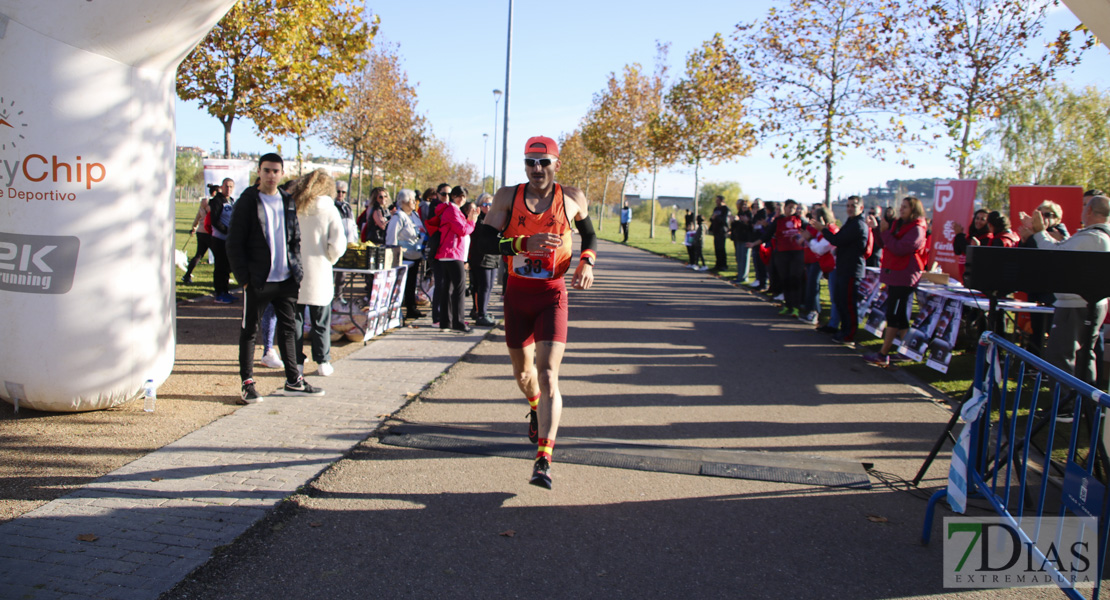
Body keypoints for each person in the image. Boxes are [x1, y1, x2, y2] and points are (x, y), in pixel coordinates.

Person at [472, 135, 596, 490]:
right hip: (517, 294)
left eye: (543, 162)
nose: (537, 169)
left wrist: (587, 262)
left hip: (552, 294)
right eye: (530, 162)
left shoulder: (571, 198)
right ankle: (534, 407)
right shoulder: (507, 197)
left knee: (548, 374)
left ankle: (543, 459)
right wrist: (523, 243)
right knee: (525, 376)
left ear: (556, 163)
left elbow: (589, 236)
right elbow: (482, 242)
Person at [225, 153, 324, 403]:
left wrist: (297, 271)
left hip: (286, 280)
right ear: (259, 171)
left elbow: (295, 238)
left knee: (289, 330)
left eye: (275, 171)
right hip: (258, 280)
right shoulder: (248, 201)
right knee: (250, 330)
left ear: (282, 173)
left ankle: (293, 380)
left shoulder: (287, 200)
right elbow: (233, 242)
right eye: (266, 170)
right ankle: (247, 383)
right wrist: (244, 278)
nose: (271, 175)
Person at [1023, 195, 1110, 421]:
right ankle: (1087, 403)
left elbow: (1055, 253)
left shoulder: (1092, 237)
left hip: (1075, 304)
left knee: (1061, 354)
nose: (1081, 211)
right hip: (1089, 303)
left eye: (1084, 207)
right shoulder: (1100, 236)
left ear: (1089, 211)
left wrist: (1039, 232)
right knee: (1085, 355)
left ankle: (1066, 405)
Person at [291, 170, 346, 378]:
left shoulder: (296, 206)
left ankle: (296, 361)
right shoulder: (330, 209)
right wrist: (329, 258)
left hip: (295, 269)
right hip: (320, 268)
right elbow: (338, 243)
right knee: (320, 318)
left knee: (295, 319)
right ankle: (323, 359)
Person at [863, 196, 928, 367]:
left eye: (905, 207)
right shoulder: (900, 225)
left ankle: (884, 353)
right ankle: (906, 351)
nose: (901, 210)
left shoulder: (917, 229)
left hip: (904, 275)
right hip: (894, 273)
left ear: (914, 210)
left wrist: (884, 232)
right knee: (899, 316)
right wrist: (878, 230)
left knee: (894, 314)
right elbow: (885, 244)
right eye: (902, 207)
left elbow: (900, 248)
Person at [819, 195, 869, 345]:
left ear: (860, 208)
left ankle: (849, 333)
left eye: (853, 206)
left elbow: (838, 240)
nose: (849, 209)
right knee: (841, 301)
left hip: (852, 269)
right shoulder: (850, 222)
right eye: (848, 206)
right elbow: (839, 238)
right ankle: (843, 329)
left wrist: (823, 230)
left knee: (848, 303)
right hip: (843, 267)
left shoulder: (858, 224)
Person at [433, 186, 478, 333]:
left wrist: (468, 221)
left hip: (450, 253)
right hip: (452, 253)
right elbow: (463, 230)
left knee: (448, 288)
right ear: (453, 196)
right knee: (458, 288)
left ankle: (446, 322)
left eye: (464, 197)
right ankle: (458, 322)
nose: (461, 199)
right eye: (459, 196)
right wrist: (472, 221)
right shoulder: (452, 210)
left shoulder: (453, 210)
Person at [386, 189, 426, 321]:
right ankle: (397, 312)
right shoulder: (398, 217)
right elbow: (391, 239)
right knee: (402, 285)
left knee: (412, 284)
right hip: (404, 257)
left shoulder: (414, 215)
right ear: (403, 201)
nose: (414, 202)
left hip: (416, 255)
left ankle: (411, 308)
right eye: (412, 200)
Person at [767, 200, 805, 316]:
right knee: (785, 279)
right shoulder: (779, 221)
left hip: (797, 253)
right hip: (782, 253)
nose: (792, 210)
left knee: (795, 279)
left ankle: (796, 307)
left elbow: (811, 230)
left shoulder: (799, 219)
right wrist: (755, 243)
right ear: (785, 208)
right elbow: (768, 233)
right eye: (790, 207)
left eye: (794, 208)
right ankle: (787, 305)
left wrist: (801, 236)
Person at [469, 194, 500, 327]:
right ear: (480, 206)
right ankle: (481, 314)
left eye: (490, 204)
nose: (488, 207)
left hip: (493, 257)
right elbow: (480, 234)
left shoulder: (496, 218)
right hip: (480, 257)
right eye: (485, 205)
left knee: (489, 286)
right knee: (483, 286)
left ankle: (481, 311)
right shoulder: (478, 219)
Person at [182, 184, 216, 285]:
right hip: (210, 232)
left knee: (198, 255)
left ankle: (187, 275)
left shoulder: (202, 204)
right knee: (219, 256)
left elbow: (197, 217)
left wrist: (193, 227)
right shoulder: (213, 204)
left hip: (201, 232)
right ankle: (221, 278)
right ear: (214, 192)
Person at [209, 177, 236, 304]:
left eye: (231, 186)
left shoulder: (231, 201)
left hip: (229, 240)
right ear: (221, 186)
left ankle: (225, 291)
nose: (228, 189)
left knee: (226, 267)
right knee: (220, 266)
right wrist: (227, 231)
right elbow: (215, 220)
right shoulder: (216, 201)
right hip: (219, 239)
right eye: (226, 186)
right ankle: (219, 293)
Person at [708, 195, 731, 271]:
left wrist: (716, 217)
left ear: (722, 201)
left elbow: (725, 220)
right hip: (716, 230)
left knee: (721, 248)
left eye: (717, 200)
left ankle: (723, 265)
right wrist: (712, 218)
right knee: (717, 248)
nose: (716, 202)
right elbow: (712, 219)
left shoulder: (726, 209)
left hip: (722, 231)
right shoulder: (716, 208)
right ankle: (718, 264)